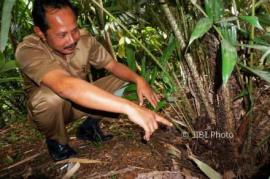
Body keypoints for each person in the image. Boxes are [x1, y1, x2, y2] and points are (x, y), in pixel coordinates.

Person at [15, 0, 172, 161]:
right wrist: (129, 108)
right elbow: (64, 86)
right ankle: (58, 142)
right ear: (40, 32)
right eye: (62, 35)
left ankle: (89, 127)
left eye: (74, 30)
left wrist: (139, 80)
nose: (71, 40)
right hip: (54, 110)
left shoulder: (84, 39)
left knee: (127, 83)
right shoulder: (28, 50)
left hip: (83, 101)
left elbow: (112, 65)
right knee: (49, 98)